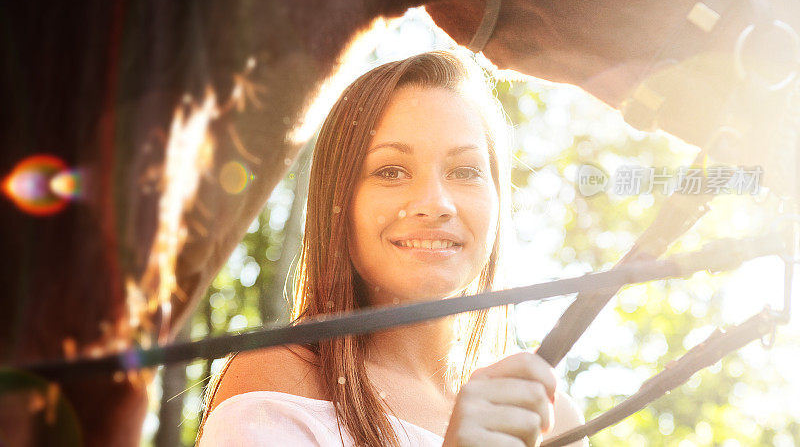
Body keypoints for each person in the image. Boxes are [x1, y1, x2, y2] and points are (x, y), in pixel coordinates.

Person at [197, 51, 585, 446]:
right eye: (391, 171)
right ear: (340, 201)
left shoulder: (553, 418)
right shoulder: (276, 383)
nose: (435, 203)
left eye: (465, 171)